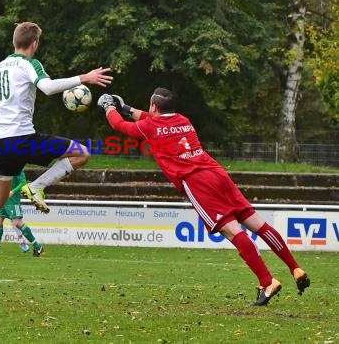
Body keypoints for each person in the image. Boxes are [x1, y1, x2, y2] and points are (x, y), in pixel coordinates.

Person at [97, 87, 310, 306]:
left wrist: (109, 107)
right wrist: (125, 107)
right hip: (217, 173)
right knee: (256, 223)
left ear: (154, 107)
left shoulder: (151, 126)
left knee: (231, 230)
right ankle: (296, 268)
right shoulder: (183, 120)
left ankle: (267, 282)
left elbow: (120, 125)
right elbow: (148, 119)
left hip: (198, 182)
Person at [0, 21, 113, 283]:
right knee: (81, 153)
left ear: (13, 42)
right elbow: (48, 87)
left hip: (3, 143)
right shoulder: (30, 63)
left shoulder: (0, 67)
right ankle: (37, 187)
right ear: (35, 43)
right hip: (24, 137)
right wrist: (84, 77)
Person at [0, 170, 43, 256]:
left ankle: (37, 246)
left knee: (17, 223)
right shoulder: (2, 166)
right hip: (2, 198)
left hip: (13, 200)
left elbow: (23, 183)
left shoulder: (18, 168)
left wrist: (12, 191)